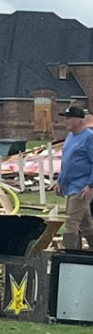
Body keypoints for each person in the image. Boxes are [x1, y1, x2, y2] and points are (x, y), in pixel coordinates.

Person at [55, 106, 93, 249]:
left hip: (81, 187)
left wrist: (90, 185)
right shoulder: (70, 137)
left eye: (69, 118)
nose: (66, 121)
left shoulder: (89, 137)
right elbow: (67, 160)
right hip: (70, 186)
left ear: (79, 120)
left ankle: (69, 256)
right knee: (86, 224)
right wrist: (59, 181)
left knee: (71, 223)